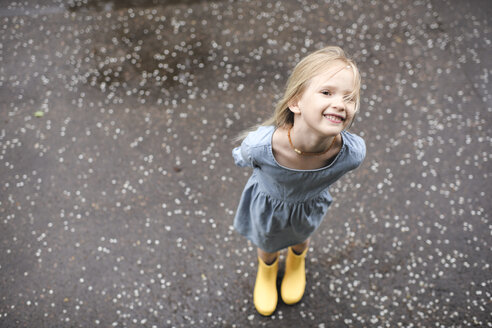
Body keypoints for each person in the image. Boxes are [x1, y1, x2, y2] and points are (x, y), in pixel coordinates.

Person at [232, 46, 366, 316]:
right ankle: (268, 269)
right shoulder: (261, 146)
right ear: (296, 103)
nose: (341, 103)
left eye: (349, 98)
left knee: (302, 235)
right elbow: (241, 157)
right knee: (267, 244)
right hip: (269, 205)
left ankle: (297, 260)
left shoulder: (352, 154)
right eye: (327, 92)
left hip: (308, 206)